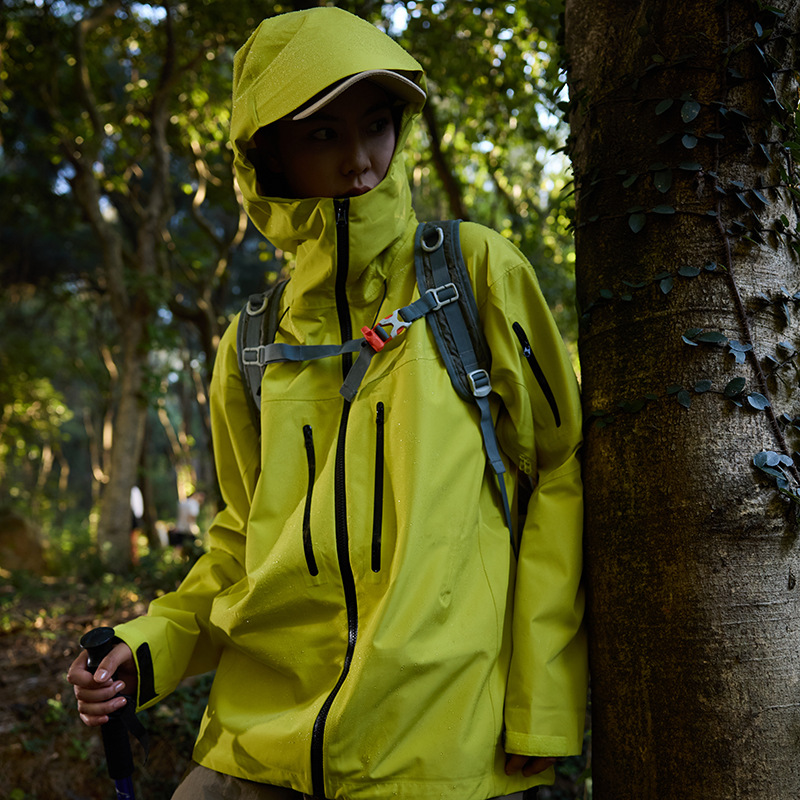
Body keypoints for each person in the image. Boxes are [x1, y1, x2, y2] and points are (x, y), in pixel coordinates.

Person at [68, 8, 587, 800]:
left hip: (435, 746)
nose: (360, 161)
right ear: (268, 157)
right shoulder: (250, 342)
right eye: (323, 134)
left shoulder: (474, 273)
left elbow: (558, 476)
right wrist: (143, 652)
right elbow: (240, 544)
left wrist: (540, 709)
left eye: (376, 125)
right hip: (259, 743)